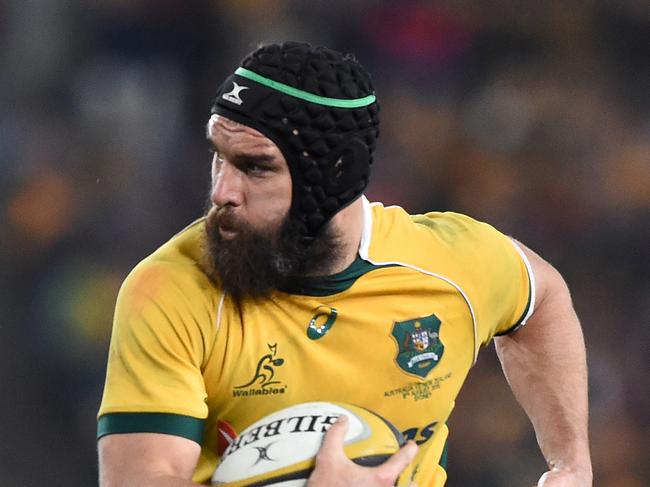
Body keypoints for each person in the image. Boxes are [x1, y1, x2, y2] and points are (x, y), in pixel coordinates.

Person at [97, 41, 592, 486]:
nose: (221, 192)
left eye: (255, 166)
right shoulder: (169, 290)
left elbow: (541, 297)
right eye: (218, 157)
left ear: (336, 174)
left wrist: (571, 462)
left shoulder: (449, 265)